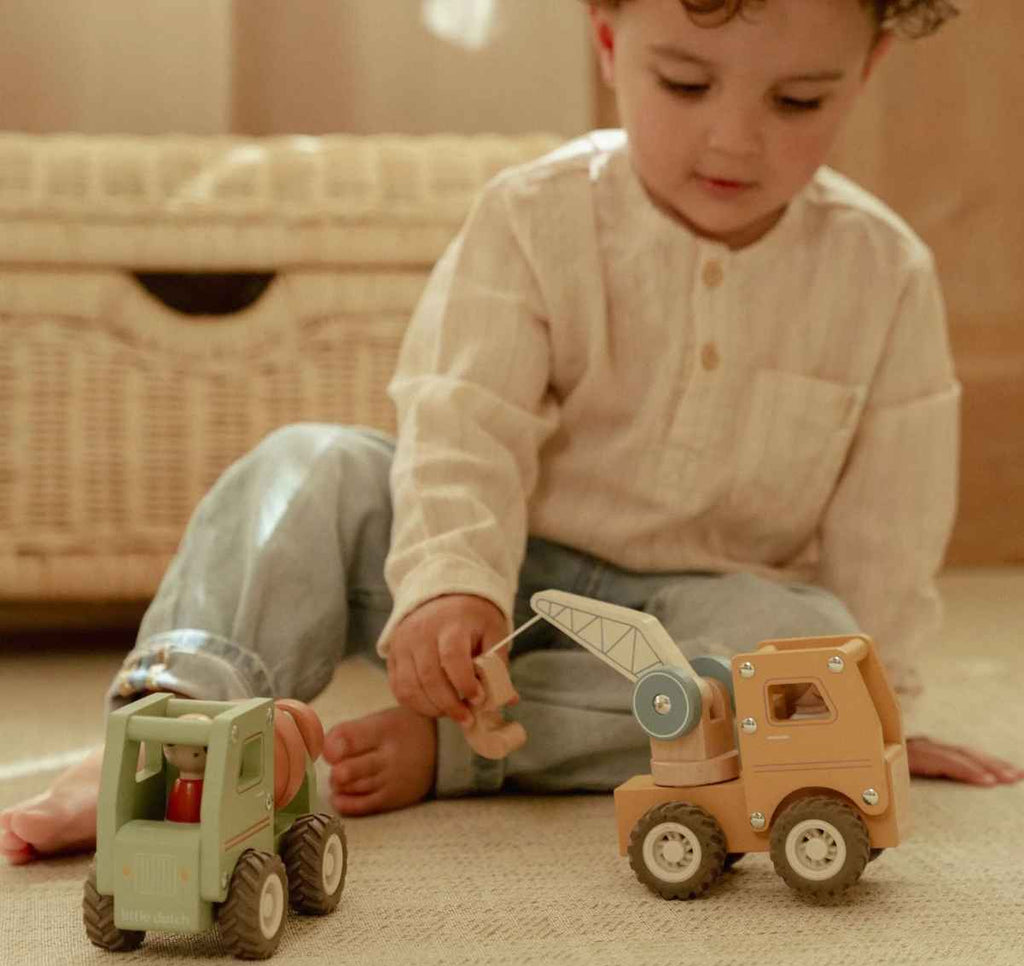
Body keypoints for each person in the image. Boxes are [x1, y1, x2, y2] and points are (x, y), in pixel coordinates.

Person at [3, 0, 1021, 866]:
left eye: (797, 101)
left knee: (797, 648)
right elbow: (463, 420)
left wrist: (879, 708)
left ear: (867, 68)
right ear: (610, 40)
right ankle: (175, 725)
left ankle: (459, 751)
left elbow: (891, 521)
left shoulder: (884, 276)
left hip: (688, 621)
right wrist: (449, 580)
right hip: (497, 571)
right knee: (305, 464)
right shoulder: (533, 217)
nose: (733, 140)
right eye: (684, 83)